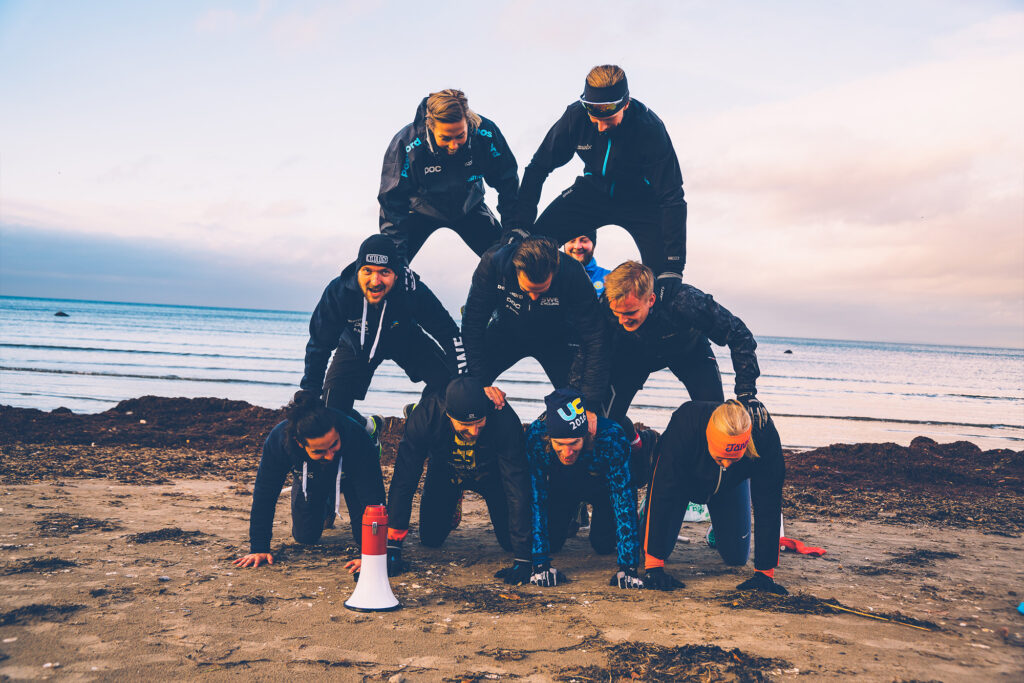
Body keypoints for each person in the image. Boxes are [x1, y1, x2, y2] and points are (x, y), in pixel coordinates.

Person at [515, 64, 687, 284]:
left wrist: (674, 265)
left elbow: (672, 196)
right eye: (594, 119)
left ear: (625, 104)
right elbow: (537, 167)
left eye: (608, 120)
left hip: (639, 200)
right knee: (531, 249)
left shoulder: (649, 128)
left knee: (662, 279)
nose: (600, 128)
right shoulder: (575, 116)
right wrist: (521, 224)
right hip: (591, 192)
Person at [601, 261, 766, 473]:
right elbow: (592, 351)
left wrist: (746, 392)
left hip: (688, 351)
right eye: (617, 313)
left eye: (631, 312)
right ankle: (640, 443)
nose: (623, 319)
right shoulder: (605, 305)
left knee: (713, 417)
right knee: (605, 421)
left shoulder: (683, 300)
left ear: (651, 300)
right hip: (635, 356)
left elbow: (738, 333)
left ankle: (705, 477)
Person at [300, 234, 463, 443]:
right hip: (356, 344)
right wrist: (309, 389)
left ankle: (421, 412)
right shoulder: (339, 291)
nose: (375, 281)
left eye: (384, 272)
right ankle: (369, 428)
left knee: (451, 385)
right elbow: (319, 344)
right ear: (358, 270)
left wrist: (465, 376)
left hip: (405, 339)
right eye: (367, 271)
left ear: (396, 274)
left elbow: (449, 333)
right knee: (331, 413)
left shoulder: (412, 289)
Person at [461, 237, 610, 436]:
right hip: (506, 334)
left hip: (556, 340)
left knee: (583, 407)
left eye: (541, 291)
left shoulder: (572, 272)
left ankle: (626, 440)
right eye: (528, 290)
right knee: (466, 386)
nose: (533, 297)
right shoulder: (493, 264)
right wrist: (481, 382)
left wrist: (590, 403)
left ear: (555, 271)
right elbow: (473, 323)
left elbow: (595, 336)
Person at [385, 376, 531, 576]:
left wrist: (523, 559)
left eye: (479, 423)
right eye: (465, 425)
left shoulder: (503, 417)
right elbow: (405, 478)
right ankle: (454, 500)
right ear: (449, 415)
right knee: (431, 539)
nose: (473, 431)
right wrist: (392, 546)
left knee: (509, 543)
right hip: (446, 472)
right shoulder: (426, 416)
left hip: (491, 474)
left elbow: (517, 485)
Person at [641, 400, 787, 594]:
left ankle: (716, 529)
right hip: (682, 484)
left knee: (736, 557)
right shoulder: (686, 424)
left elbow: (768, 501)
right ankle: (644, 515)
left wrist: (765, 572)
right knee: (659, 551)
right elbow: (663, 489)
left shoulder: (762, 433)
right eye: (720, 458)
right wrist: (653, 565)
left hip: (729, 486)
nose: (726, 464)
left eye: (733, 459)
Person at [503, 387, 643, 589]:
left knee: (603, 545)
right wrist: (540, 562)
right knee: (553, 542)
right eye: (560, 444)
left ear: (587, 434)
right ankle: (577, 513)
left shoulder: (611, 436)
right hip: (564, 487)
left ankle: (643, 442)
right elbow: (535, 496)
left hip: (601, 487)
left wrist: (629, 567)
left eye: (574, 443)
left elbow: (624, 497)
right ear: (549, 437)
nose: (567, 452)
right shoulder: (536, 436)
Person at [232, 390, 386, 569]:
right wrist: (259, 547)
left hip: (350, 472)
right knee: (305, 537)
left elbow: (373, 500)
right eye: (319, 451)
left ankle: (370, 428)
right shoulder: (279, 441)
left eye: (333, 445)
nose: (328, 456)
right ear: (299, 443)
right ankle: (327, 503)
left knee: (362, 530)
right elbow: (265, 493)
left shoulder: (356, 437)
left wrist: (371, 555)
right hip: (309, 475)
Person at [378, 89, 521, 264]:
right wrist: (397, 262)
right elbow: (392, 202)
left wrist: (512, 231)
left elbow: (508, 184)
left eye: (460, 136)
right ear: (430, 126)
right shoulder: (407, 144)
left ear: (467, 122)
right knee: (390, 266)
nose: (454, 145)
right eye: (445, 138)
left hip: (469, 207)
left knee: (509, 259)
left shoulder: (486, 133)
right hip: (418, 210)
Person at [564, 231, 612, 297]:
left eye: (584, 241)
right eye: (572, 241)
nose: (577, 246)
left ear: (593, 245)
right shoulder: (550, 276)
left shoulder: (611, 278)